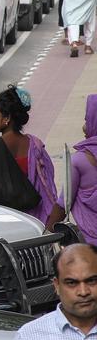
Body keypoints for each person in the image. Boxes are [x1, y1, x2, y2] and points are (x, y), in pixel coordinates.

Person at [0, 86, 64, 230]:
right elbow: (48, 186)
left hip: (4, 226)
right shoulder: (35, 146)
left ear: (7, 118)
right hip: (34, 223)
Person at [8, 243, 97, 340]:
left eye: (91, 281)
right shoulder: (29, 337)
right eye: (72, 283)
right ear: (57, 286)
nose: (83, 292)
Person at [71, 95, 97, 245]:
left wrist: (46, 232)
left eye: (88, 120)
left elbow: (64, 202)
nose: (84, 127)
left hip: (91, 244)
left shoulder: (79, 160)